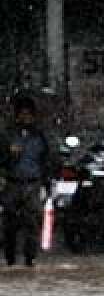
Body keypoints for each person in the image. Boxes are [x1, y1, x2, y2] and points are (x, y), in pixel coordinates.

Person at [2, 94, 53, 267]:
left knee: (32, 223)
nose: (25, 117)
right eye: (22, 114)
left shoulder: (40, 136)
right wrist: (10, 156)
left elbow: (48, 160)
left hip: (33, 183)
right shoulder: (8, 135)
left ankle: (29, 259)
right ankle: (10, 259)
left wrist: (46, 183)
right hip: (13, 183)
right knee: (10, 224)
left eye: (28, 114)